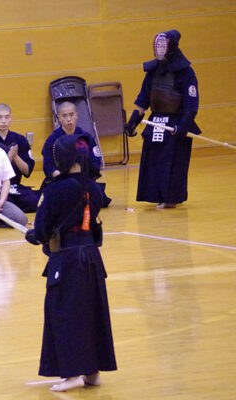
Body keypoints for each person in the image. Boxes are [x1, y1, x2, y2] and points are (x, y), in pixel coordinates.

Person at [25, 133, 117, 392]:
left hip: (67, 261)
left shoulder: (54, 190)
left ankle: (72, 373)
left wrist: (33, 235)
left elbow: (42, 230)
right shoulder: (95, 188)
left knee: (65, 314)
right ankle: (92, 371)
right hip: (92, 258)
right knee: (92, 313)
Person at [124, 29, 201, 209]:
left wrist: (184, 125)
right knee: (153, 159)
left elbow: (191, 104)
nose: (159, 49)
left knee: (172, 162)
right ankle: (156, 195)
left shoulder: (186, 72)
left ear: (171, 47)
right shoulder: (152, 71)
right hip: (156, 121)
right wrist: (133, 120)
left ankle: (171, 197)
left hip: (176, 122)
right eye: (157, 45)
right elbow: (143, 98)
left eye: (162, 45)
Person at [41, 101, 111, 207]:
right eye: (64, 116)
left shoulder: (86, 137)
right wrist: (62, 177)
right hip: (60, 180)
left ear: (76, 115)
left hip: (82, 179)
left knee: (98, 198)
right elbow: (48, 166)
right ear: (59, 118)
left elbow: (95, 162)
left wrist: (82, 176)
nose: (68, 119)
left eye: (71, 114)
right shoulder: (52, 140)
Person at [0, 104, 40, 213]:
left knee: (36, 201)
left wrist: (16, 157)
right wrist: (7, 159)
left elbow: (27, 172)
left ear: (11, 118)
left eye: (7, 117)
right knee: (1, 203)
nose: (4, 121)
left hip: (15, 187)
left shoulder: (20, 140)